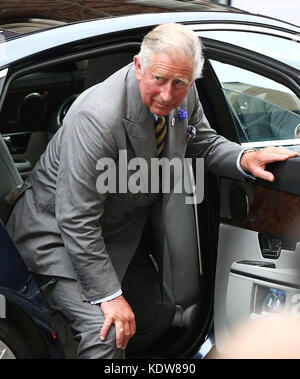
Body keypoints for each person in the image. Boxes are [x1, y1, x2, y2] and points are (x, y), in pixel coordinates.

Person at [6, 22, 297, 359]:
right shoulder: (97, 118)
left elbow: (200, 139)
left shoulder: (182, 91)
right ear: (137, 65)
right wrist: (109, 297)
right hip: (57, 235)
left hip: (113, 232)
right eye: (159, 80)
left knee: (155, 317)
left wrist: (244, 158)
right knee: (108, 332)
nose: (168, 95)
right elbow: (76, 219)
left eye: (180, 83)